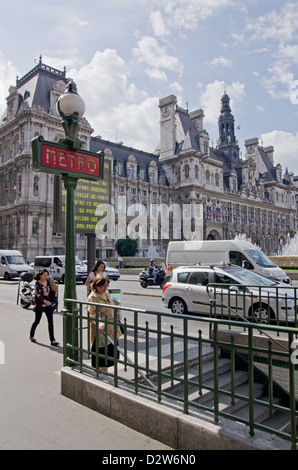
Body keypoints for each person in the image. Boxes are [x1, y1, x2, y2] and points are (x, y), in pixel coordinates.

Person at [87, 274, 122, 372]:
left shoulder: (106, 292)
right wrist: (99, 323)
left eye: (106, 285)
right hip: (101, 333)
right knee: (102, 358)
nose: (104, 288)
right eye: (101, 286)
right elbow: (92, 313)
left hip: (112, 330)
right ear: (96, 286)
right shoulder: (93, 297)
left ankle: (104, 375)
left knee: (110, 357)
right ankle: (101, 376)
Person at [29, 268, 59, 346]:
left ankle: (52, 340)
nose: (46, 277)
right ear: (40, 275)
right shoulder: (37, 283)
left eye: (47, 275)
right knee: (37, 321)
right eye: (44, 275)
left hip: (48, 305)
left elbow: (53, 291)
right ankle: (31, 335)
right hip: (40, 305)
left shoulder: (49, 282)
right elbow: (38, 294)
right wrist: (45, 301)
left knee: (51, 322)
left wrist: (55, 292)